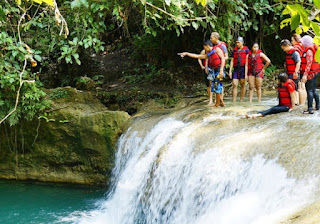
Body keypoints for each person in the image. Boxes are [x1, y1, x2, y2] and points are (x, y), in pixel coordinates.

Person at [178, 40, 226, 107]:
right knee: (214, 87)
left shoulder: (217, 49)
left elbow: (223, 59)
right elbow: (198, 56)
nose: (204, 49)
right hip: (214, 71)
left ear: (207, 46)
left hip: (220, 70)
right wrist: (186, 53)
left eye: (204, 47)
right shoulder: (209, 54)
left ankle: (216, 105)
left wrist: (221, 70)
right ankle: (221, 102)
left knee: (217, 87)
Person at [300, 35, 320, 114]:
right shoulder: (313, 49)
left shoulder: (309, 51)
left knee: (310, 91)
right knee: (314, 90)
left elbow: (309, 63)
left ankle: (310, 108)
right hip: (316, 72)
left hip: (310, 73)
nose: (302, 44)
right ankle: (318, 106)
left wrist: (305, 75)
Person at [229, 37, 249, 102]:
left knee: (243, 85)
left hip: (243, 69)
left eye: (238, 42)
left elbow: (247, 62)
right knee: (234, 84)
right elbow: (232, 61)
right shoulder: (234, 50)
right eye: (236, 42)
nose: (237, 44)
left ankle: (241, 100)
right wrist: (230, 71)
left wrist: (246, 74)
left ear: (242, 43)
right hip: (236, 69)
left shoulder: (246, 50)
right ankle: (234, 101)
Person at [280, 39, 300, 105]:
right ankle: (294, 101)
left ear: (288, 45)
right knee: (291, 87)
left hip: (294, 73)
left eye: (284, 48)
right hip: (289, 73)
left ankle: (296, 102)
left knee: (295, 87)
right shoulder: (288, 53)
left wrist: (296, 72)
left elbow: (298, 62)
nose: (284, 50)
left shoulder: (294, 52)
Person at [210, 32, 228, 104]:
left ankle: (220, 100)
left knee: (219, 84)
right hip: (214, 67)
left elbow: (226, 56)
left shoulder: (222, 46)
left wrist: (220, 59)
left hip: (220, 67)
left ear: (216, 38)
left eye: (211, 38)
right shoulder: (212, 46)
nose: (210, 39)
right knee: (215, 83)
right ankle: (218, 100)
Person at [291, 34, 307, 105]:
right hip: (304, 68)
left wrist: (295, 71)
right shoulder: (303, 47)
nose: (291, 42)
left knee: (299, 87)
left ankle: (299, 103)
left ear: (296, 40)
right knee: (303, 87)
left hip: (298, 69)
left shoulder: (295, 48)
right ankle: (303, 103)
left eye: (292, 40)